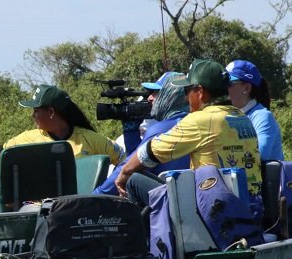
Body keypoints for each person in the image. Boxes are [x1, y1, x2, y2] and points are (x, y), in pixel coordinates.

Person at [115, 59, 262, 214]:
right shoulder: (242, 117)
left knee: (133, 180)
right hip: (252, 210)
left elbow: (150, 153)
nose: (186, 98)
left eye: (187, 91)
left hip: (215, 212)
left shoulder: (200, 120)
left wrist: (124, 173)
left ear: (200, 91)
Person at [94, 72, 190, 195]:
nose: (149, 98)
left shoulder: (160, 130)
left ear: (172, 95)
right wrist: (131, 132)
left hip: (162, 201)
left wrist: (94, 196)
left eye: (156, 93)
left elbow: (127, 168)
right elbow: (139, 160)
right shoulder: (191, 122)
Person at [0, 85, 125, 167]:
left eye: (36, 111)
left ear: (51, 112)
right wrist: (5, 193)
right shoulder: (28, 138)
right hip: (41, 202)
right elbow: (0, 153)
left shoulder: (89, 138)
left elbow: (124, 160)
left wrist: (109, 187)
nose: (32, 115)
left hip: (80, 201)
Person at [225, 59, 284, 161]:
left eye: (228, 84)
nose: (223, 89)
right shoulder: (226, 115)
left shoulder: (263, 116)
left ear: (246, 88)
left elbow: (259, 155)